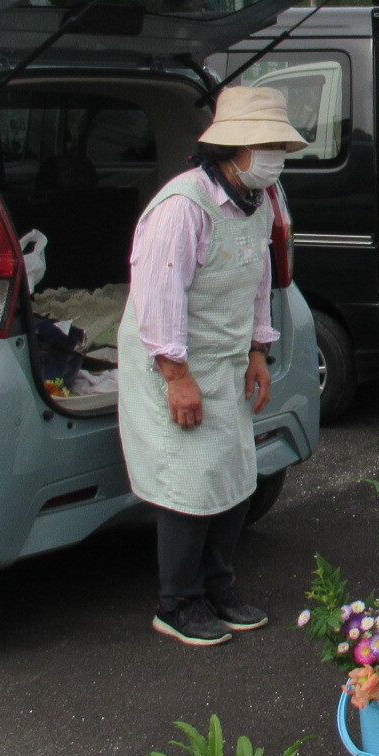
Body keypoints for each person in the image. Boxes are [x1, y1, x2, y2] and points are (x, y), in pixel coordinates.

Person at [118, 85, 304, 648]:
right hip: (172, 359)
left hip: (225, 358)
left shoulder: (258, 198)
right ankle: (177, 603)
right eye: (266, 144)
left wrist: (257, 352)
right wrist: (176, 377)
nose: (275, 156)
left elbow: (256, 282)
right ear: (233, 147)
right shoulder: (183, 206)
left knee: (233, 473)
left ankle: (220, 589)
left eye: (279, 145)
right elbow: (159, 295)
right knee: (188, 482)